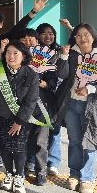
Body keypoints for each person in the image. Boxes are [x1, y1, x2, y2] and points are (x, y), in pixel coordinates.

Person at [54, 23, 97, 193]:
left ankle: (87, 178)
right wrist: (64, 56)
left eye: (86, 34)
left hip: (93, 107)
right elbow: (62, 75)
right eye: (78, 35)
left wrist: (90, 89)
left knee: (90, 142)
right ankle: (74, 174)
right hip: (71, 104)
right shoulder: (72, 57)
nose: (82, 38)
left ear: (93, 37)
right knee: (75, 141)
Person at [0, 41, 39, 193]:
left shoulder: (31, 75)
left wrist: (19, 122)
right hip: (3, 114)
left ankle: (19, 176)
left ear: (23, 56)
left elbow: (31, 101)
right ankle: (9, 173)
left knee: (19, 147)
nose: (11, 56)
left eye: (15, 53)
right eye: (8, 53)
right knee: (5, 146)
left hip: (22, 118)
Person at [17, 28, 57, 186]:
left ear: (37, 40)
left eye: (31, 39)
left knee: (41, 141)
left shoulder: (47, 58)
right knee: (22, 139)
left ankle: (41, 171)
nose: (27, 42)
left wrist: (41, 82)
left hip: (42, 106)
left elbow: (53, 82)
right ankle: (22, 169)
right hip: (23, 106)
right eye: (24, 39)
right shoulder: (16, 58)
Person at [36, 22, 63, 176]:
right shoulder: (34, 52)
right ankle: (34, 161)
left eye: (51, 33)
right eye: (44, 33)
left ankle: (53, 162)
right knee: (39, 130)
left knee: (55, 128)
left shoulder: (60, 51)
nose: (48, 36)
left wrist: (70, 28)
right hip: (42, 95)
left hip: (58, 94)